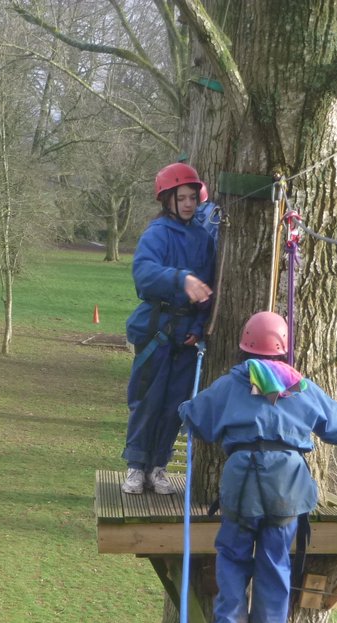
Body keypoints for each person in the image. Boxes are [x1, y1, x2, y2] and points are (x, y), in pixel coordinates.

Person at [178, 311, 337, 623]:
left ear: (245, 346)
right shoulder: (299, 386)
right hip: (287, 482)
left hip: (242, 478)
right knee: (275, 564)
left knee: (233, 553)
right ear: (283, 349)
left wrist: (186, 406)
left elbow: (197, 418)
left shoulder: (231, 383)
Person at [123, 162, 216, 495]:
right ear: (168, 200)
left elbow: (209, 289)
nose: (188, 204)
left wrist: (199, 325)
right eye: (182, 197)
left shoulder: (204, 239)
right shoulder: (157, 234)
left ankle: (158, 465)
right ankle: (136, 466)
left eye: (192, 197)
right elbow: (144, 274)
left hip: (187, 334)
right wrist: (180, 278)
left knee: (176, 405)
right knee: (147, 400)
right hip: (158, 329)